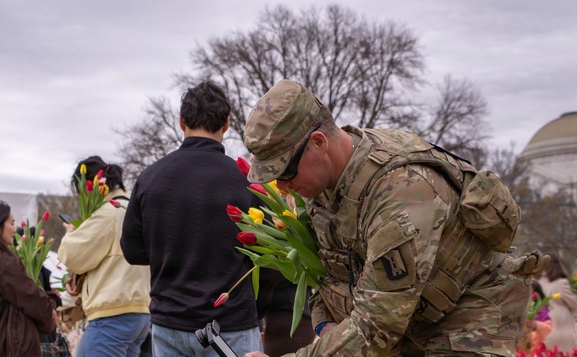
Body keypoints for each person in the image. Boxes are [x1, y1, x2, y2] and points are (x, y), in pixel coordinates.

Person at [242, 79, 548, 356]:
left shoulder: (402, 190)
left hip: (470, 317)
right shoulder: (323, 186)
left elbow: (376, 328)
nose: (281, 185)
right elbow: (325, 276)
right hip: (410, 319)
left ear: (319, 143)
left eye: (284, 171)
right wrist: (326, 328)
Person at [120, 80, 263, 357]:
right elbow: (265, 252)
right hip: (231, 324)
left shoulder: (150, 178)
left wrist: (172, 248)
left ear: (181, 121)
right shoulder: (245, 180)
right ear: (227, 123)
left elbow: (133, 250)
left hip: (170, 321)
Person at [58, 156, 151, 357]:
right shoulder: (134, 208)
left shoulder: (109, 213)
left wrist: (71, 233)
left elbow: (72, 255)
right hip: (139, 311)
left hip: (113, 314)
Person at [0, 199, 55, 357]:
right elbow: (31, 297)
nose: (15, 229)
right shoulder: (5, 263)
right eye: (11, 223)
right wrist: (50, 306)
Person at [538, 253, 577, 352]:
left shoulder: (539, 282)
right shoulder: (562, 283)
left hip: (544, 322)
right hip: (562, 324)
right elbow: (574, 304)